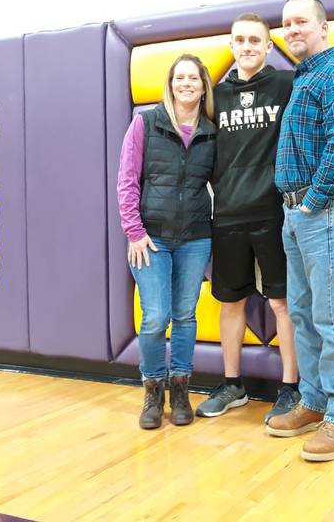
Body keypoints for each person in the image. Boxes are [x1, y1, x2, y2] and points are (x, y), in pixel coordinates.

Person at [266, 0, 334, 462]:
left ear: (324, 28)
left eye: (301, 21)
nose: (292, 30)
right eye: (286, 24)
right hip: (297, 214)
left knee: (330, 318)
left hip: (320, 212)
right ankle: (314, 400)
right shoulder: (304, 78)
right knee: (303, 314)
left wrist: (309, 203)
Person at [195, 13, 300, 422]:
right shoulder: (215, 97)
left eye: (256, 40)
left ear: (269, 46)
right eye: (241, 40)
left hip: (274, 212)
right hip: (227, 214)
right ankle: (232, 384)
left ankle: (290, 387)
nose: (248, 46)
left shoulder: (285, 85)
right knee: (229, 300)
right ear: (231, 45)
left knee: (282, 302)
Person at [117, 53, 216, 430]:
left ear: (203, 85)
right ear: (170, 84)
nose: (186, 84)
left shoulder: (210, 132)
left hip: (195, 238)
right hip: (150, 240)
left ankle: (181, 389)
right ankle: (153, 389)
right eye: (180, 78)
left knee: (186, 316)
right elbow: (127, 181)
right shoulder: (145, 123)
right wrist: (134, 232)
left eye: (194, 78)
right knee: (156, 317)